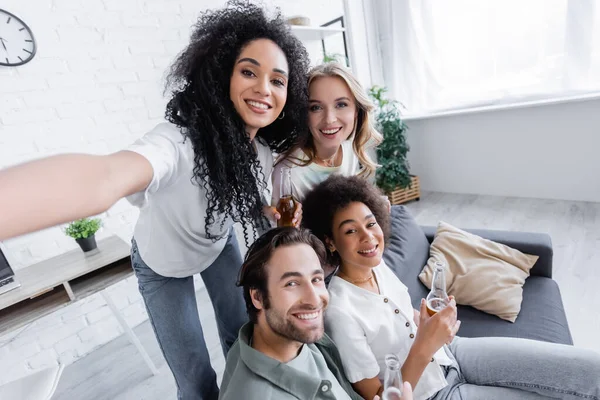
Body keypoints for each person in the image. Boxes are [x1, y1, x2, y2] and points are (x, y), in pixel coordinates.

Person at [0, 2, 306, 399]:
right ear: (220, 76)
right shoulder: (177, 141)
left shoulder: (260, 148)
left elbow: (241, 196)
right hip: (161, 264)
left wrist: (268, 210)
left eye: (277, 80)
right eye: (249, 71)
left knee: (244, 336)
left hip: (216, 246)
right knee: (194, 378)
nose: (264, 88)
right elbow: (105, 177)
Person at [302, 175, 600, 400]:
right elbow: (379, 396)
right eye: (350, 231)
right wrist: (424, 344)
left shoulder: (377, 265)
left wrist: (428, 326)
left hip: (454, 352)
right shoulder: (340, 312)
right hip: (433, 394)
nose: (368, 237)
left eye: (370, 223)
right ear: (330, 241)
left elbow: (405, 322)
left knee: (590, 371)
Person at [220, 227, 414, 400]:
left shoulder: (271, 338)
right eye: (292, 283)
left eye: (316, 279)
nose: (314, 300)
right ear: (258, 297)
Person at [270, 62, 382, 208]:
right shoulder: (288, 175)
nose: (329, 119)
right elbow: (282, 230)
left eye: (341, 104)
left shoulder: (348, 149)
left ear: (356, 110)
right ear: (304, 114)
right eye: (316, 107)